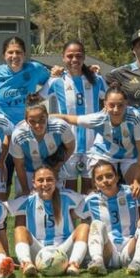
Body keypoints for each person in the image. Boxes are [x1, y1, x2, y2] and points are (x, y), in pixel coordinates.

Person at [53, 85, 140, 198]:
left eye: (120, 105)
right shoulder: (99, 118)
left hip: (130, 155)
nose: (116, 110)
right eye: (112, 105)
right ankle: (96, 212)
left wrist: (137, 180)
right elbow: (68, 118)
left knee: (139, 190)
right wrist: (42, 116)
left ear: (126, 104)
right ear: (105, 104)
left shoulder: (136, 118)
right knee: (100, 189)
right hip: (104, 155)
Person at [44, 39, 107, 190]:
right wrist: (51, 76)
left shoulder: (96, 79)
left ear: (84, 57)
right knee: (69, 193)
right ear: (63, 57)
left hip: (93, 146)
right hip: (67, 145)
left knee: (90, 193)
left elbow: (111, 101)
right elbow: (35, 100)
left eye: (78, 56)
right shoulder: (57, 81)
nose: (74, 59)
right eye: (70, 56)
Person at [9, 165, 89, 277]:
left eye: (49, 180)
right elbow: (3, 208)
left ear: (55, 182)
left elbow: (87, 200)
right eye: (40, 180)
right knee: (20, 229)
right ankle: (26, 263)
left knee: (83, 227)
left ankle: (74, 264)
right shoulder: (27, 201)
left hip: (64, 249)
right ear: (34, 183)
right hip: (38, 250)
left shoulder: (66, 196)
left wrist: (76, 214)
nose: (45, 184)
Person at [77, 160, 140, 275]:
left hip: (129, 248)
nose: (105, 181)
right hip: (108, 252)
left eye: (109, 176)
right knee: (96, 224)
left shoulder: (132, 192)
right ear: (95, 183)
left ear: (117, 177)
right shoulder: (90, 200)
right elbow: (72, 216)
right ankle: (97, 262)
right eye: (100, 178)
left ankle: (137, 263)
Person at [8, 97, 75, 195]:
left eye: (42, 120)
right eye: (32, 121)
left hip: (53, 167)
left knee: (55, 199)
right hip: (28, 170)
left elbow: (70, 147)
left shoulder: (60, 127)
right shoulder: (18, 135)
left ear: (47, 116)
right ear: (26, 121)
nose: (38, 125)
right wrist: (25, 189)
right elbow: (19, 165)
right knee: (26, 204)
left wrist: (57, 167)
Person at [0, 36, 52, 127]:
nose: (14, 56)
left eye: (18, 52)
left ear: (24, 55)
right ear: (4, 55)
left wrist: (40, 96)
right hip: (3, 128)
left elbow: (54, 82)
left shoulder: (35, 69)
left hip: (28, 127)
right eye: (10, 52)